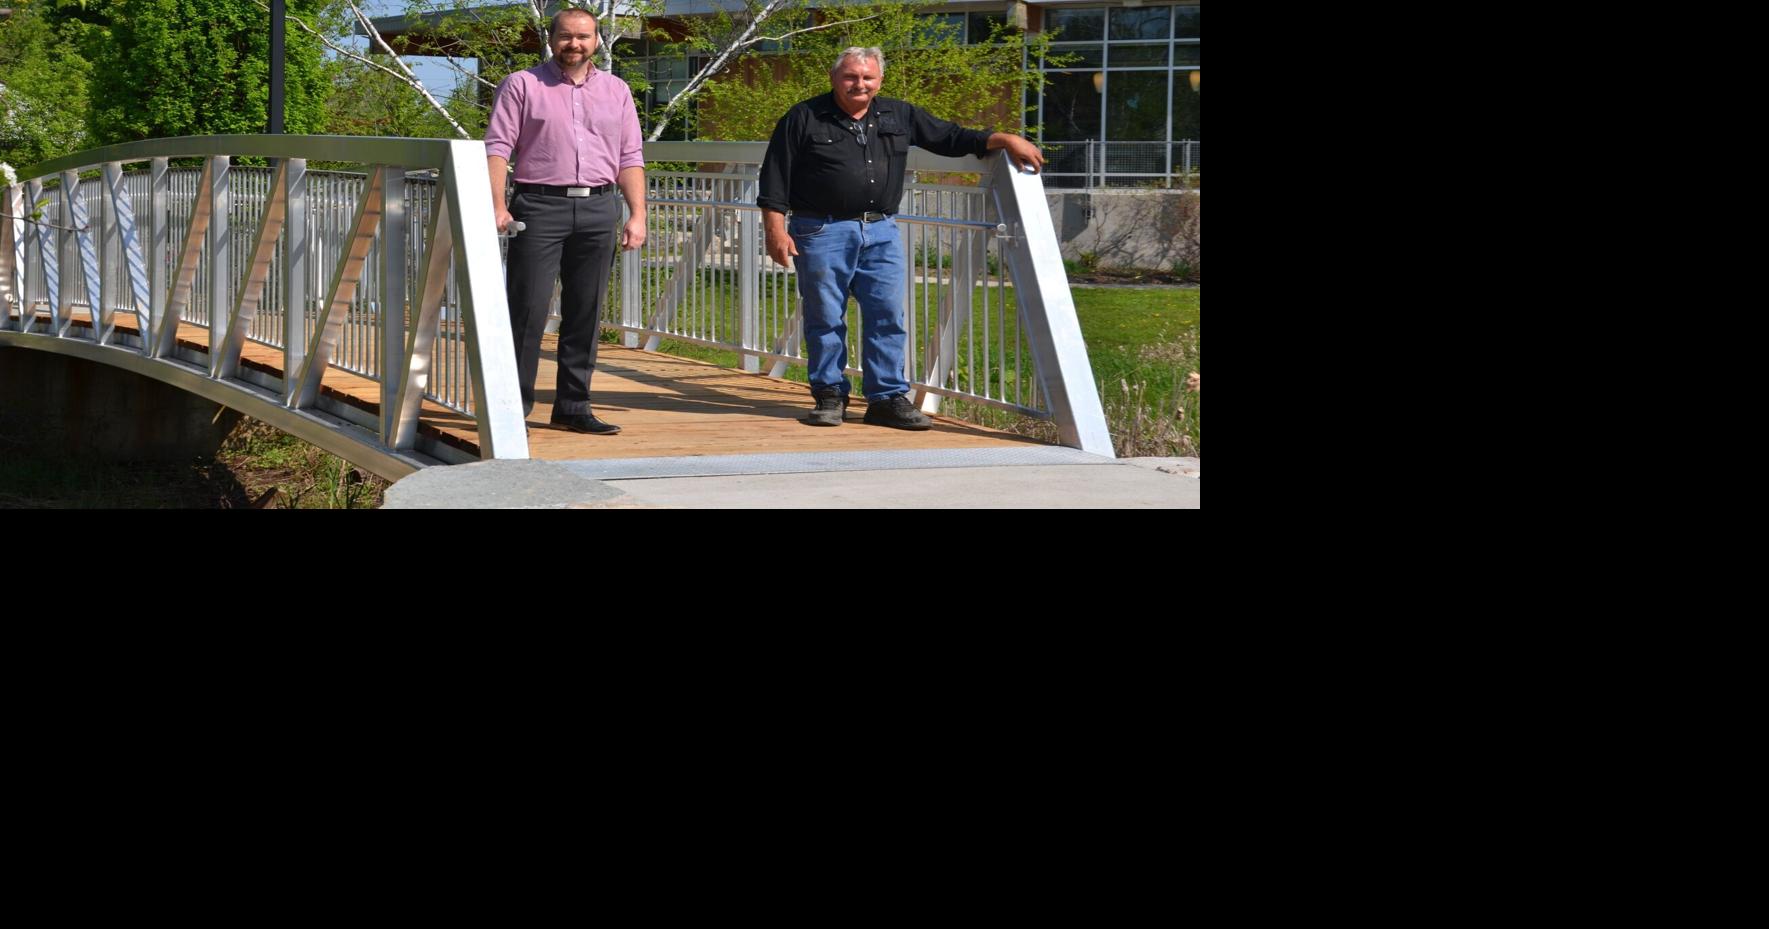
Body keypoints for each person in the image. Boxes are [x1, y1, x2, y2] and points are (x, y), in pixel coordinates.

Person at [757, 46, 1044, 429]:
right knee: (825, 316)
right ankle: (829, 395)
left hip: (881, 230)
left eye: (867, 77)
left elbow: (951, 137)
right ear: (834, 79)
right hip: (821, 229)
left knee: (888, 314)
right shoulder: (803, 117)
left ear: (879, 80)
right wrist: (775, 230)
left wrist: (1002, 138)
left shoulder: (899, 114)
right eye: (850, 76)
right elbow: (775, 177)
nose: (859, 84)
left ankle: (887, 398)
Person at [485, 8, 646, 435]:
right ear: (551, 37)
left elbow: (630, 156)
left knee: (585, 312)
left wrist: (638, 214)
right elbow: (498, 147)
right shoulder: (522, 84)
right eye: (566, 36)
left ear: (597, 40)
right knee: (528, 309)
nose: (574, 44)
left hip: (598, 208)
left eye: (583, 37)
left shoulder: (617, 90)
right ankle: (512, 408)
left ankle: (573, 406)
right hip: (538, 206)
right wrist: (497, 204)